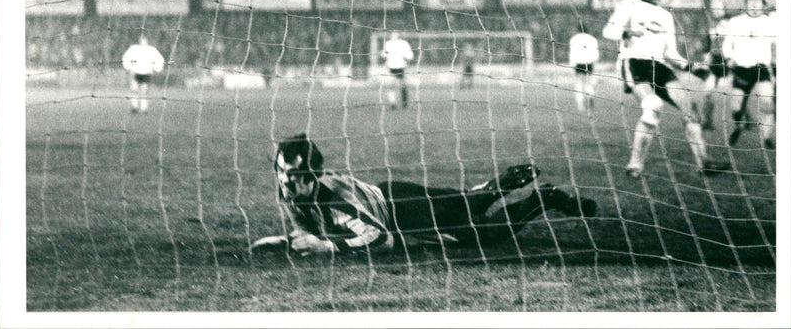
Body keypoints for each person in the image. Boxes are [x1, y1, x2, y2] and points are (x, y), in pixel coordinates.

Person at [252, 133, 597, 256]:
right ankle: (502, 184)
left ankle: (543, 198)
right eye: (280, 171)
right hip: (393, 196)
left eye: (292, 175)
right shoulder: (292, 192)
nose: (284, 181)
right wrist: (287, 241)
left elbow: (381, 239)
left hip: (405, 214)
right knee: (463, 203)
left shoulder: (335, 200)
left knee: (487, 234)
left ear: (311, 175)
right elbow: (308, 231)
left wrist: (326, 247)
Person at [602, 0, 729, 178]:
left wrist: (693, 67)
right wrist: (627, 32)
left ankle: (704, 162)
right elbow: (608, 31)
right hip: (634, 63)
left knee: (691, 108)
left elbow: (670, 53)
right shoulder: (628, 5)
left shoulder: (666, 16)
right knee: (652, 105)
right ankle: (635, 165)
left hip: (659, 67)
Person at [721, 0, 776, 149]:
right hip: (741, 69)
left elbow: (778, 43)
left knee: (767, 102)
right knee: (736, 108)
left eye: (758, 1)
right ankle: (739, 126)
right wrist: (729, 57)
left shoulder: (770, 22)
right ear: (745, 4)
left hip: (762, 69)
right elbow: (727, 43)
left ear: (763, 5)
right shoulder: (736, 21)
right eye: (750, 0)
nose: (753, 4)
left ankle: (766, 138)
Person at [696, 0, 733, 131]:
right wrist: (706, 60)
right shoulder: (710, 24)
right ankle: (707, 121)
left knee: (734, 93)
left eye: (718, 6)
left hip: (730, 63)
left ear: (724, 6)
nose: (716, 9)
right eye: (713, 7)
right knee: (707, 92)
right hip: (715, 63)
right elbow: (707, 45)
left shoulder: (733, 22)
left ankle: (745, 119)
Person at [121, 34, 165, 113]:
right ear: (139, 41)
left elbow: (159, 59)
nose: (143, 42)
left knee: (144, 91)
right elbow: (126, 58)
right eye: (142, 40)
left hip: (146, 73)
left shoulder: (151, 50)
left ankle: (143, 107)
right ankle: (134, 106)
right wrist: (128, 67)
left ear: (147, 41)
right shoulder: (134, 49)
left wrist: (157, 68)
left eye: (144, 40)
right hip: (135, 72)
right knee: (134, 90)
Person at [568, 21, 600, 114]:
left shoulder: (574, 39)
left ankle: (580, 105)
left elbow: (572, 53)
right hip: (589, 63)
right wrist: (594, 62)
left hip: (578, 63)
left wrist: (572, 65)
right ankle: (590, 100)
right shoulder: (592, 39)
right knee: (588, 84)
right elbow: (596, 53)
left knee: (579, 84)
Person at [380, 31, 414, 109]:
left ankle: (399, 103)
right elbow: (384, 54)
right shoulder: (390, 44)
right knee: (395, 85)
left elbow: (409, 55)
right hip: (394, 66)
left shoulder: (401, 43)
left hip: (398, 66)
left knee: (399, 85)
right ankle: (396, 103)